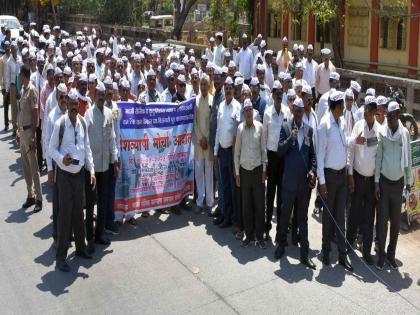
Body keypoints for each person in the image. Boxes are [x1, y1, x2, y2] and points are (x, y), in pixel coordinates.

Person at [49, 88, 96, 272]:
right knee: (65, 216)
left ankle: (80, 249)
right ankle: (61, 257)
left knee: (79, 213)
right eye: (72, 104)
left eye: (77, 104)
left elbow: (87, 148)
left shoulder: (82, 123)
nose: (75, 107)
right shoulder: (60, 124)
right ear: (66, 104)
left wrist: (91, 170)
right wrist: (62, 159)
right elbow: (51, 149)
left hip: (79, 176)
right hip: (65, 177)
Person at [317, 90, 363, 271]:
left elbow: (345, 142)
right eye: (342, 105)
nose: (344, 108)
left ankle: (342, 256)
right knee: (328, 218)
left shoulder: (342, 121)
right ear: (335, 107)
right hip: (328, 177)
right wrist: (321, 182)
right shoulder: (324, 125)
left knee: (340, 217)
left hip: (342, 176)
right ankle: (326, 251)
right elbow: (320, 156)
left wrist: (355, 140)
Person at [274, 97, 317, 269]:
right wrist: (290, 140)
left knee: (303, 219)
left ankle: (304, 254)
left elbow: (312, 155)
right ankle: (281, 245)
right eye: (296, 110)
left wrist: (313, 171)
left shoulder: (309, 130)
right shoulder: (285, 127)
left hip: (303, 185)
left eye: (301, 110)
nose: (299, 113)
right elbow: (279, 151)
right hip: (289, 182)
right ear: (293, 111)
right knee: (285, 216)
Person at [375, 101, 412, 271]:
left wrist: (409, 181)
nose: (388, 119)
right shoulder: (382, 133)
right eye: (387, 116)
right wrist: (376, 182)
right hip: (383, 182)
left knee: (395, 223)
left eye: (391, 116)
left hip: (398, 185)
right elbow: (379, 158)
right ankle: (381, 256)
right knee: (382, 221)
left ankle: (391, 255)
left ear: (397, 116)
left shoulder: (404, 134)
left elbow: (408, 160)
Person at [84, 81, 118, 254]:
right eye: (98, 94)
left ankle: (100, 233)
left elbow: (112, 138)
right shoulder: (88, 114)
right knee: (90, 204)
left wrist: (115, 158)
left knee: (103, 201)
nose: (100, 97)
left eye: (103, 95)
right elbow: (85, 142)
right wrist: (88, 165)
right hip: (92, 168)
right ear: (94, 94)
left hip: (105, 166)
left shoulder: (108, 114)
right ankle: (89, 238)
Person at [347, 97, 379, 265]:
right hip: (358, 178)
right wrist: (350, 174)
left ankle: (366, 250)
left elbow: (379, 159)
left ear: (375, 112)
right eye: (365, 109)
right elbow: (351, 151)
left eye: (369, 110)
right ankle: (348, 243)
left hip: (371, 181)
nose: (366, 112)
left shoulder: (379, 131)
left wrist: (377, 183)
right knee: (353, 212)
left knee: (368, 216)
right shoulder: (359, 126)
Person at [234, 98, 267, 249]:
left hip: (258, 171)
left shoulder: (260, 127)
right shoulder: (240, 129)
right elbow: (237, 153)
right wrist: (237, 173)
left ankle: (260, 237)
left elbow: (263, 151)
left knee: (260, 206)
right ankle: (249, 235)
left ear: (253, 111)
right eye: (246, 110)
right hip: (244, 172)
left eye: (250, 110)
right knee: (246, 206)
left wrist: (264, 171)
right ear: (243, 112)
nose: (248, 113)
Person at [263, 80, 290, 241]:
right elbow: (264, 139)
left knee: (281, 197)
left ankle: (281, 231)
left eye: (281, 93)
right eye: (276, 93)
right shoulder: (267, 113)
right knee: (270, 195)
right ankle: (267, 228)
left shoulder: (288, 112)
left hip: (283, 159)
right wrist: (265, 164)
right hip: (272, 158)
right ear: (272, 95)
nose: (279, 95)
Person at [213, 77, 241, 228]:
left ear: (234, 90)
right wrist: (215, 152)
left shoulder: (238, 107)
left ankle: (233, 219)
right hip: (222, 152)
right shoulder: (221, 106)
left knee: (232, 187)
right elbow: (218, 130)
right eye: (226, 88)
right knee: (223, 186)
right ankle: (225, 214)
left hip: (232, 152)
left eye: (231, 88)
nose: (228, 90)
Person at [44, 83, 69, 242]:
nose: (63, 100)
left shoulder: (70, 114)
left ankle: (67, 234)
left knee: (69, 203)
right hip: (57, 166)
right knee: (58, 205)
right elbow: (47, 144)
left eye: (65, 97)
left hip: (70, 165)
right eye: (61, 97)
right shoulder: (53, 116)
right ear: (56, 96)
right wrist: (50, 169)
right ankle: (56, 236)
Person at [16, 65, 42, 213]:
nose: (20, 76)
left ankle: (39, 198)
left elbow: (35, 114)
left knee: (34, 167)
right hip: (22, 131)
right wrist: (18, 131)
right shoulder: (23, 89)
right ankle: (30, 195)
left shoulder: (32, 90)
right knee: (25, 166)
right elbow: (21, 112)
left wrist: (33, 136)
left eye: (21, 74)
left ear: (25, 75)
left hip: (29, 132)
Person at [193, 74, 214, 213]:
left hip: (209, 143)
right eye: (201, 84)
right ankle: (200, 201)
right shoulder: (196, 101)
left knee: (209, 172)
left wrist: (206, 138)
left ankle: (210, 202)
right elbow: (194, 122)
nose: (203, 87)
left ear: (209, 85)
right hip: (199, 143)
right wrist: (201, 138)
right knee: (199, 172)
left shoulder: (213, 100)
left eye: (205, 84)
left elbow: (213, 122)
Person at [5, 41, 22, 136]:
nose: (13, 50)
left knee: (21, 106)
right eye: (12, 48)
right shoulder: (8, 62)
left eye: (14, 48)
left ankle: (20, 127)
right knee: (14, 108)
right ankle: (15, 128)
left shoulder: (20, 60)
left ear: (17, 49)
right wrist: (7, 90)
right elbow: (7, 76)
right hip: (12, 86)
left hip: (20, 85)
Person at [0, 41, 11, 131]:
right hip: (5, 86)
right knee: (6, 106)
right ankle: (6, 124)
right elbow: (0, 74)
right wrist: (2, 87)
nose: (7, 49)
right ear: (4, 48)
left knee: (15, 106)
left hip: (12, 84)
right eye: (6, 47)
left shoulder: (12, 58)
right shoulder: (2, 59)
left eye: (9, 47)